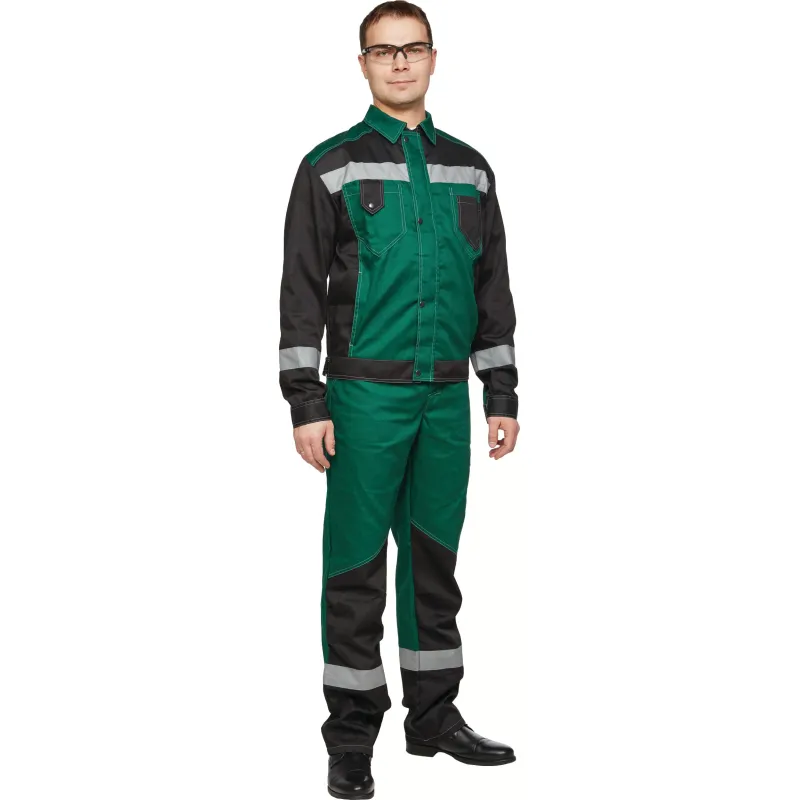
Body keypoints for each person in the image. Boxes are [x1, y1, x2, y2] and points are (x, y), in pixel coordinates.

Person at [278, 2, 520, 797]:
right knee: (355, 570)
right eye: (384, 52)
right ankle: (351, 739)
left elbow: (493, 288)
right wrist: (306, 401)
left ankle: (434, 718)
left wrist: (501, 391)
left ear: (434, 58)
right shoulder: (331, 166)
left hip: (445, 399)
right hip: (363, 399)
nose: (401, 62)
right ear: (364, 65)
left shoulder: (471, 169)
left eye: (413, 48)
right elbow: (300, 292)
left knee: (433, 563)